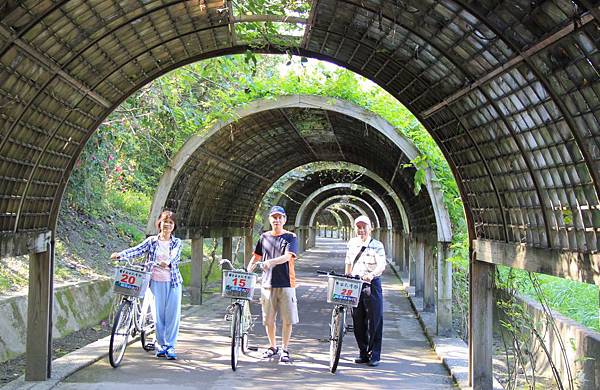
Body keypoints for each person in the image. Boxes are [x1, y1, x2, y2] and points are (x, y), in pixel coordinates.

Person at [111, 210, 183, 360]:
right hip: (155, 281)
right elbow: (137, 250)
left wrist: (168, 262)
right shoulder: (152, 241)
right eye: (165, 222)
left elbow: (175, 255)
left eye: (170, 223)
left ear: (174, 226)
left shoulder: (177, 242)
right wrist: (121, 255)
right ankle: (161, 345)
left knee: (172, 315)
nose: (167, 225)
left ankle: (170, 345)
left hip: (173, 281)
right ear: (159, 223)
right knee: (158, 315)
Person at [247, 205, 299, 363]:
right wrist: (248, 271)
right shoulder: (264, 237)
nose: (276, 220)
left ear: (284, 220)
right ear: (269, 219)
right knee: (268, 319)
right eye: (274, 217)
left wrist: (270, 262)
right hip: (267, 284)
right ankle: (272, 346)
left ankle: (285, 348)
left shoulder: (291, 237)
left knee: (287, 319)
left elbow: (287, 257)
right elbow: (256, 257)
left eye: (279, 217)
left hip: (286, 283)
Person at [344, 215, 386, 367]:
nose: (361, 230)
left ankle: (375, 354)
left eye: (364, 227)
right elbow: (348, 262)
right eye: (358, 227)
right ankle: (363, 352)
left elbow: (381, 265)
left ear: (370, 228)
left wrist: (372, 274)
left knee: (374, 320)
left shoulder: (377, 245)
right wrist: (347, 277)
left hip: (371, 285)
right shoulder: (352, 243)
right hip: (355, 285)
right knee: (357, 320)